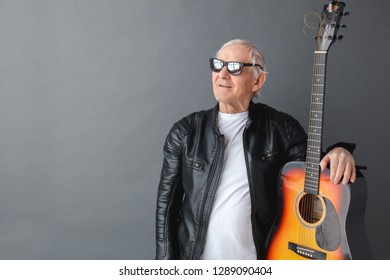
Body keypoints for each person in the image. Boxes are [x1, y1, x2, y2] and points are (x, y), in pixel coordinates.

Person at [155, 39, 356, 260]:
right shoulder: (186, 132)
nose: (222, 74)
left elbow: (317, 174)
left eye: (234, 67)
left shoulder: (281, 129)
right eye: (217, 65)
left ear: (257, 81)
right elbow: (166, 210)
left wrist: (340, 150)